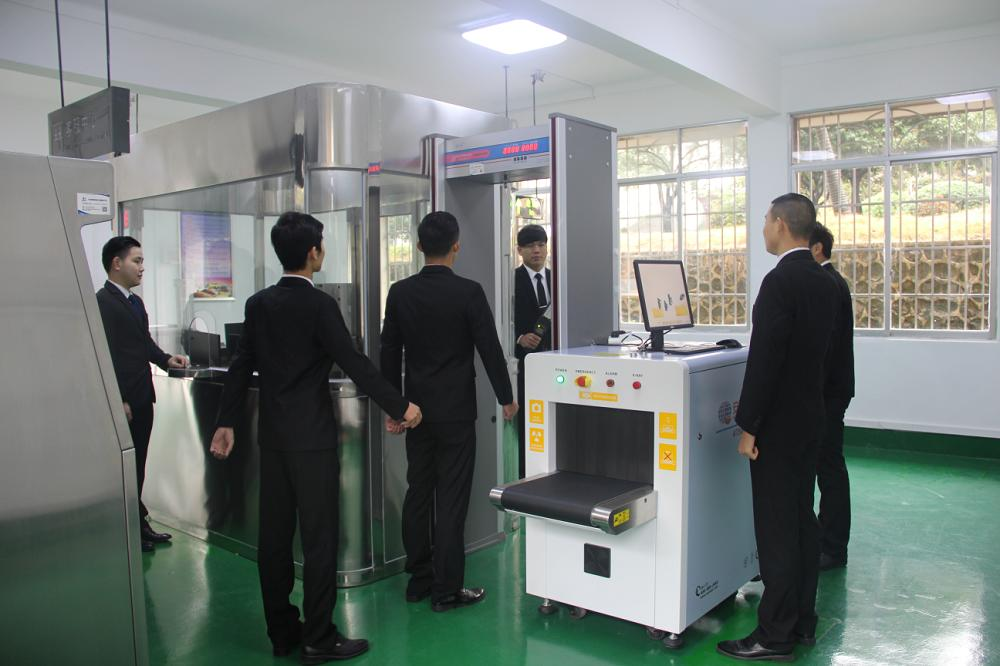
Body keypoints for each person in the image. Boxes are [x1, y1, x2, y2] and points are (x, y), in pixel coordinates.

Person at [209, 212, 421, 663]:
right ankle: (319, 638)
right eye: (321, 245)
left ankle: (282, 633)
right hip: (313, 441)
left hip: (273, 439)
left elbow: (241, 365)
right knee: (320, 539)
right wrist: (400, 406)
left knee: (274, 539)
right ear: (313, 253)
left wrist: (226, 421)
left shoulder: (259, 303)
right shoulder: (320, 305)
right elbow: (354, 361)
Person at [717, 194, 837, 662]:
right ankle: (802, 621)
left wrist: (749, 425)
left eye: (766, 221)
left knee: (776, 531)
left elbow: (766, 361)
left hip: (778, 429)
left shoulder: (780, 281)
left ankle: (774, 634)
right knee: (803, 522)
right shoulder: (824, 279)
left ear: (782, 225)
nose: (763, 228)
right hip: (810, 419)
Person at [381, 210, 518, 612]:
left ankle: (418, 580)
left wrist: (394, 407)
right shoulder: (469, 292)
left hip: (415, 411)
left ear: (419, 246)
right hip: (457, 412)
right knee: (452, 500)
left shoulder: (400, 292)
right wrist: (506, 397)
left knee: (418, 492)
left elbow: (389, 352)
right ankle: (446, 590)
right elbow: (489, 348)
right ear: (456, 245)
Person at [96, 236, 188, 553]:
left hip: (142, 396)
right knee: (123, 470)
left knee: (139, 465)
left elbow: (143, 343)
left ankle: (138, 524)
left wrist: (166, 360)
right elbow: (106, 354)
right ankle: (127, 530)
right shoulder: (103, 303)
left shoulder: (134, 302)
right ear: (116, 263)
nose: (142, 267)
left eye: (142, 261)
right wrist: (118, 398)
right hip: (124, 402)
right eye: (136, 261)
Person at [809, 223, 855, 571]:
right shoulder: (832, 282)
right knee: (827, 466)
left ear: (817, 248)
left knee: (829, 468)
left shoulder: (827, 284)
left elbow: (822, 347)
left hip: (827, 392)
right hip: (832, 389)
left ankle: (833, 546)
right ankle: (825, 540)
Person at [513, 224, 551, 479]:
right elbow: (502, 320)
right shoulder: (511, 281)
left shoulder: (557, 278)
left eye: (541, 245)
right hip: (524, 365)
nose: (536, 250)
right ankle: (526, 474)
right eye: (529, 246)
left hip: (555, 362)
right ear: (519, 251)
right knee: (530, 421)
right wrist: (519, 338)